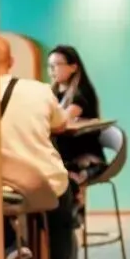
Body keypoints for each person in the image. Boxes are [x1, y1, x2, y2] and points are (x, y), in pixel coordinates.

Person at [0, 37, 94, 259]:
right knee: (62, 220)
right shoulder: (39, 90)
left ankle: (11, 245)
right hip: (42, 183)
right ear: (11, 62)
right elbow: (60, 125)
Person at [48, 45, 107, 184]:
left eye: (57, 65)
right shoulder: (53, 93)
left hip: (85, 159)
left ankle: (73, 190)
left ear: (73, 67)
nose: (52, 70)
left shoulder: (82, 93)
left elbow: (61, 119)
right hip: (65, 155)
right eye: (49, 65)